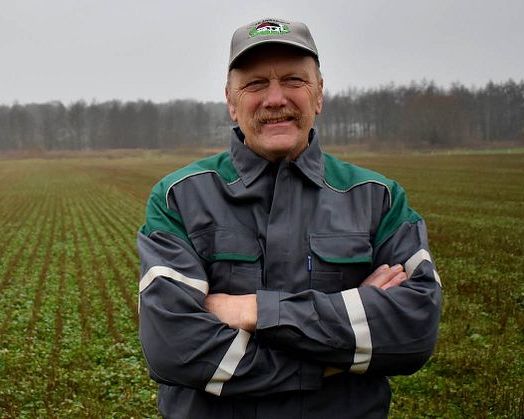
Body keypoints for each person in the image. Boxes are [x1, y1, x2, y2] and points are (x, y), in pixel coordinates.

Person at [137, 17, 442, 418]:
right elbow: (173, 348)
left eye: (294, 81)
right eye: (255, 83)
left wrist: (254, 311)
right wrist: (331, 360)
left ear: (319, 94)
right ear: (231, 101)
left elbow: (413, 330)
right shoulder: (178, 198)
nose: (275, 98)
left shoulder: (378, 199)